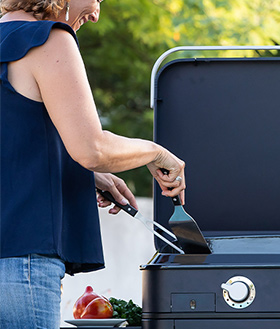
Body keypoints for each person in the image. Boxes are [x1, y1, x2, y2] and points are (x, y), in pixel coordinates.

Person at [0, 0, 187, 327]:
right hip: (21, 265)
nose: (97, 12)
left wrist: (86, 174)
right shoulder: (49, 38)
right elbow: (92, 147)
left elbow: (15, 142)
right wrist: (157, 152)